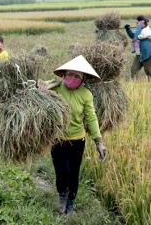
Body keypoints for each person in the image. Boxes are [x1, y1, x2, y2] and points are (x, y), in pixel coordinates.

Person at [38, 55, 107, 215]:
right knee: (63, 172)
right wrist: (41, 87)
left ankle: (71, 201)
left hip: (78, 141)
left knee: (74, 172)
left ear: (82, 80)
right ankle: (62, 195)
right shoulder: (55, 87)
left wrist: (99, 142)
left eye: (77, 76)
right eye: (70, 74)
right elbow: (38, 91)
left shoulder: (86, 94)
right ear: (64, 75)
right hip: (58, 139)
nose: (72, 78)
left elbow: (91, 117)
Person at [125, 15, 151, 81]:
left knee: (148, 70)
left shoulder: (147, 30)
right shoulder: (138, 29)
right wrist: (128, 29)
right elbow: (133, 36)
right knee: (133, 69)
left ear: (143, 22)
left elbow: (140, 36)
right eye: (137, 22)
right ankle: (135, 84)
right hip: (140, 54)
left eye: (139, 22)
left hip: (148, 54)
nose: (137, 23)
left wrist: (138, 29)